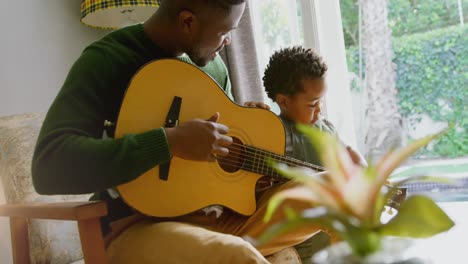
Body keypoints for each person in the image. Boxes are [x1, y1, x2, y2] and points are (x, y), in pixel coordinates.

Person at [32, 1, 327, 263]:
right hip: (134, 227)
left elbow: (213, 174)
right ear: (188, 21)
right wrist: (168, 142)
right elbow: (49, 166)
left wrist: (250, 147)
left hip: (218, 219)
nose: (226, 42)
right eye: (224, 31)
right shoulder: (107, 60)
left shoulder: (214, 68)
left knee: (335, 188)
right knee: (237, 256)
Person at [263, 46, 367, 169]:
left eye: (320, 101)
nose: (319, 110)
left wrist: (364, 171)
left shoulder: (325, 128)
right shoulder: (273, 131)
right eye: (312, 104)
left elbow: (350, 154)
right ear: (284, 102)